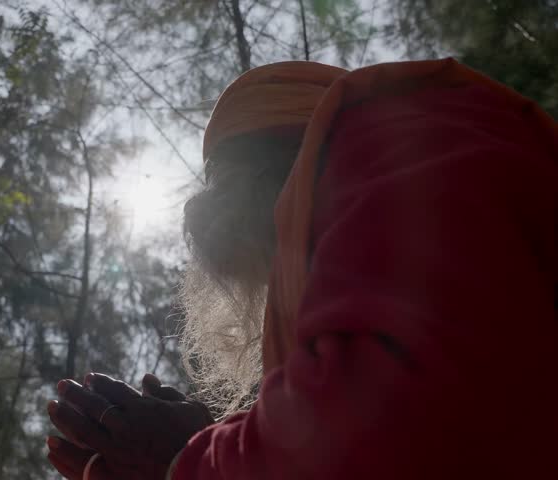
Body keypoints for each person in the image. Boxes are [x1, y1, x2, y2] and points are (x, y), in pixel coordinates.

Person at [46, 58, 558, 479]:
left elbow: (387, 422)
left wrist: (185, 460)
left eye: (272, 263)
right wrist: (218, 437)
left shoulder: (392, 147)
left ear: (273, 177)